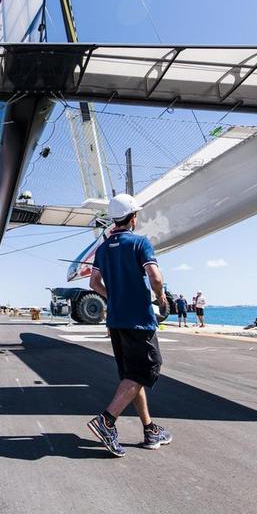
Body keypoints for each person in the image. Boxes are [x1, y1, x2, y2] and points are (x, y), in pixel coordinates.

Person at [86, 193, 173, 457]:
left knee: (132, 376)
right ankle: (107, 420)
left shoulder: (102, 249)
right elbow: (155, 277)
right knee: (146, 370)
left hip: (115, 321)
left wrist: (114, 297)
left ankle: (149, 430)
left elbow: (93, 284)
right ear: (133, 217)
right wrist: (161, 297)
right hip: (139, 321)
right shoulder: (139, 243)